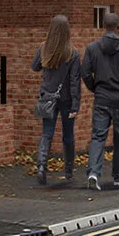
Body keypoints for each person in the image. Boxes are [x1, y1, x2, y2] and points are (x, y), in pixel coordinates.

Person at [82, 13, 119, 190]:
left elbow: (85, 73)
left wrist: (95, 88)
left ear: (103, 25)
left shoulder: (92, 48)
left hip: (102, 98)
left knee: (98, 136)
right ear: (118, 25)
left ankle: (93, 172)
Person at [30, 15, 83, 186]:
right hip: (66, 99)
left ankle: (41, 167)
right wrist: (76, 104)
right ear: (67, 31)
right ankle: (68, 170)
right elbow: (75, 81)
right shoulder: (72, 53)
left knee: (47, 133)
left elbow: (34, 66)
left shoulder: (44, 48)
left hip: (47, 97)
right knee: (68, 135)